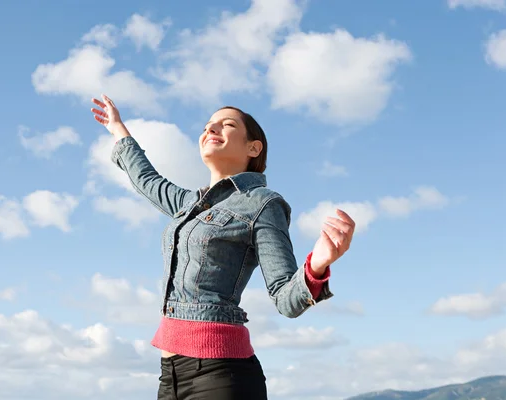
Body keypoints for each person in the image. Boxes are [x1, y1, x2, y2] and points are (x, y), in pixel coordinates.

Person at [90, 94, 356, 400]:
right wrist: (118, 128)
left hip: (220, 374)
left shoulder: (262, 203)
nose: (211, 129)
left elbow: (286, 299)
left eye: (226, 125)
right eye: (207, 126)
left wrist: (317, 265)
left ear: (253, 148)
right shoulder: (187, 204)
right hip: (170, 377)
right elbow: (146, 178)